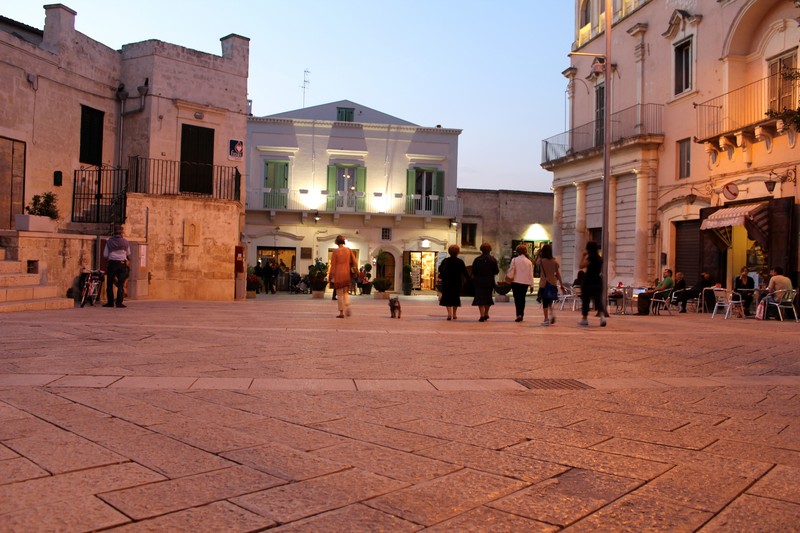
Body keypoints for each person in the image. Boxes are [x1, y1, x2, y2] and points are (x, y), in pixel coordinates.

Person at [579, 240, 606, 327]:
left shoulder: (590, 259)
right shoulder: (599, 259)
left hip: (588, 281)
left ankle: (584, 318)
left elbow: (581, 266)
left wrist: (583, 256)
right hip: (598, 280)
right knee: (598, 300)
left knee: (586, 300)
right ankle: (602, 316)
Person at [329, 235, 357, 318]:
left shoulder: (335, 252)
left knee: (339, 294)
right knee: (345, 293)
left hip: (338, 274)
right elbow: (354, 262)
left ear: (337, 242)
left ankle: (341, 312)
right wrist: (355, 272)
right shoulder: (348, 250)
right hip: (346, 273)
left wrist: (331, 275)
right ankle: (347, 305)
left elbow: (333, 265)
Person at [438, 244, 470, 320]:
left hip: (447, 282)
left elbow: (440, 269)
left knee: (447, 297)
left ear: (449, 252)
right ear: (457, 252)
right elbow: (465, 272)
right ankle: (454, 314)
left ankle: (449, 313)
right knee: (455, 297)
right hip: (457, 282)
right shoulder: (460, 262)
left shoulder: (445, 261)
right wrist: (469, 279)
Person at [103, 224, 131, 308]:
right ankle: (119, 302)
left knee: (109, 283)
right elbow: (128, 253)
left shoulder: (109, 241)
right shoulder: (125, 242)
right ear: (121, 233)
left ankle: (110, 302)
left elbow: (105, 254)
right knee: (121, 283)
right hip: (122, 263)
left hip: (112, 263)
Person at [505, 244, 535, 322]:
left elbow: (511, 269)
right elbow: (531, 274)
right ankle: (521, 314)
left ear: (517, 251)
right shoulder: (529, 262)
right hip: (525, 282)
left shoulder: (514, 260)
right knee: (522, 298)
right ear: (525, 252)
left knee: (517, 299)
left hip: (515, 281)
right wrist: (532, 285)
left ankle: (518, 314)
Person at [471, 242, 499, 322]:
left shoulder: (477, 260)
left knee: (480, 298)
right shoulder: (493, 260)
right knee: (488, 297)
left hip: (479, 281)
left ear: (481, 250)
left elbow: (474, 271)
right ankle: (486, 313)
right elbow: (496, 271)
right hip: (489, 281)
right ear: (490, 250)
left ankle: (482, 314)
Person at [535, 244, 562, 326]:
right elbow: (557, 274)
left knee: (545, 302)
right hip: (552, 283)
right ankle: (552, 313)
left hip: (544, 283)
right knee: (549, 300)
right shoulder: (554, 262)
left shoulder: (542, 261)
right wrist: (561, 284)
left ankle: (546, 319)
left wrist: (538, 254)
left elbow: (535, 263)